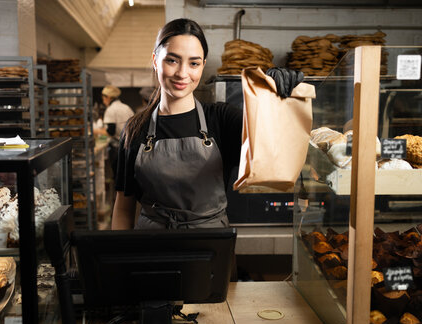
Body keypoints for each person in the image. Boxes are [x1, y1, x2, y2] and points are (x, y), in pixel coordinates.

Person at [112, 18, 303, 230]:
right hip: (152, 250)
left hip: (211, 249)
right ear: (156, 60)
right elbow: (123, 208)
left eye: (193, 63)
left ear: (202, 65)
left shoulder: (222, 119)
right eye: (172, 60)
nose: (182, 73)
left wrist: (276, 99)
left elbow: (275, 147)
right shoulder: (135, 129)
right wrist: (121, 259)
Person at [101, 85, 134, 177]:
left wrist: (94, 131)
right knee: (128, 175)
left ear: (108, 97)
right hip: (130, 145)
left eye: (103, 98)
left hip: (118, 148)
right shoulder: (126, 107)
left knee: (118, 176)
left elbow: (110, 131)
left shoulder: (111, 109)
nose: (103, 101)